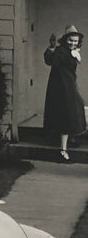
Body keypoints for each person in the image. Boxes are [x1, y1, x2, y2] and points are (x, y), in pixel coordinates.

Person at [43, 25, 87, 163]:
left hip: (69, 84)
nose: (72, 43)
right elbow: (50, 60)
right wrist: (51, 48)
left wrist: (74, 53)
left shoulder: (72, 51)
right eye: (70, 40)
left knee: (75, 108)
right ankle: (63, 150)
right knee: (67, 113)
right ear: (65, 39)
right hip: (60, 86)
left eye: (75, 41)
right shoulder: (61, 51)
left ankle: (70, 138)